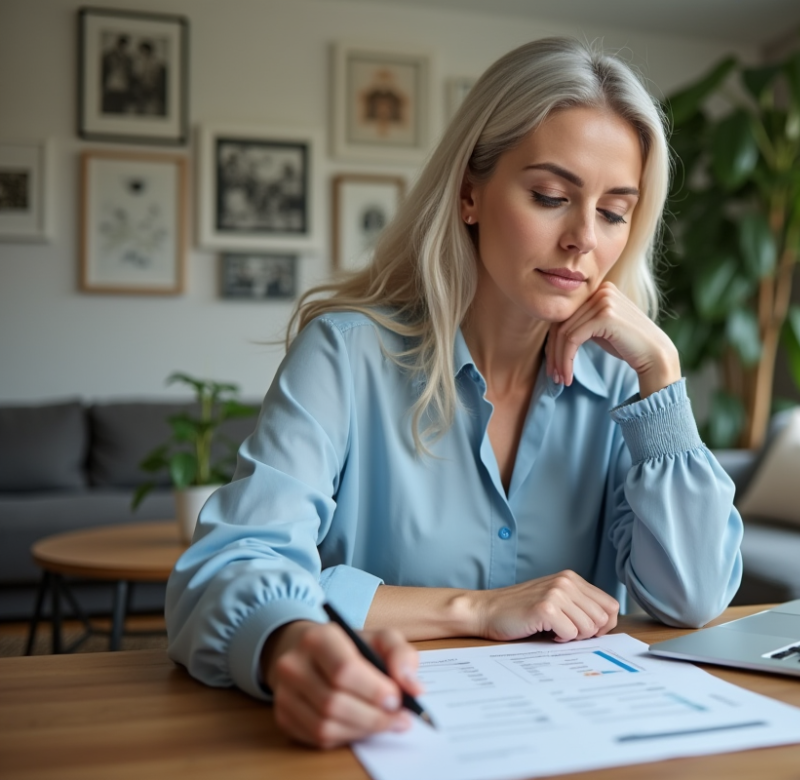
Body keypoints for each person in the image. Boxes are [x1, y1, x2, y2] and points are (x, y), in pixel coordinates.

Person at [165, 37, 744, 749]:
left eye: (614, 212)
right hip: (381, 743)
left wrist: (662, 373)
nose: (583, 241)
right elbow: (223, 574)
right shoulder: (347, 355)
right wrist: (467, 610)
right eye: (551, 197)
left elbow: (690, 599)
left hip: (580, 746)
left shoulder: (624, 383)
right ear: (470, 194)